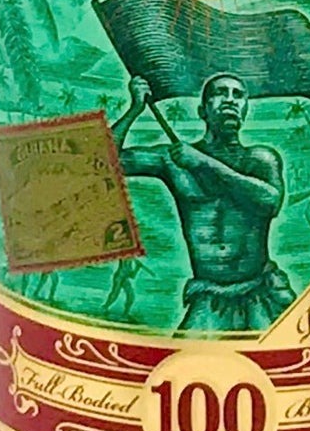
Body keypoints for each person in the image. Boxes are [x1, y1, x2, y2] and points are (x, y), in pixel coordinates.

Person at [112, 71, 296, 333]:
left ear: (245, 109)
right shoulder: (173, 160)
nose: (230, 100)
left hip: (261, 292)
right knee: (186, 353)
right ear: (203, 110)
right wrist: (135, 109)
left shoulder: (261, 159)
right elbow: (107, 160)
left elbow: (270, 202)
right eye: (220, 93)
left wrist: (203, 163)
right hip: (209, 297)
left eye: (238, 95)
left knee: (282, 352)